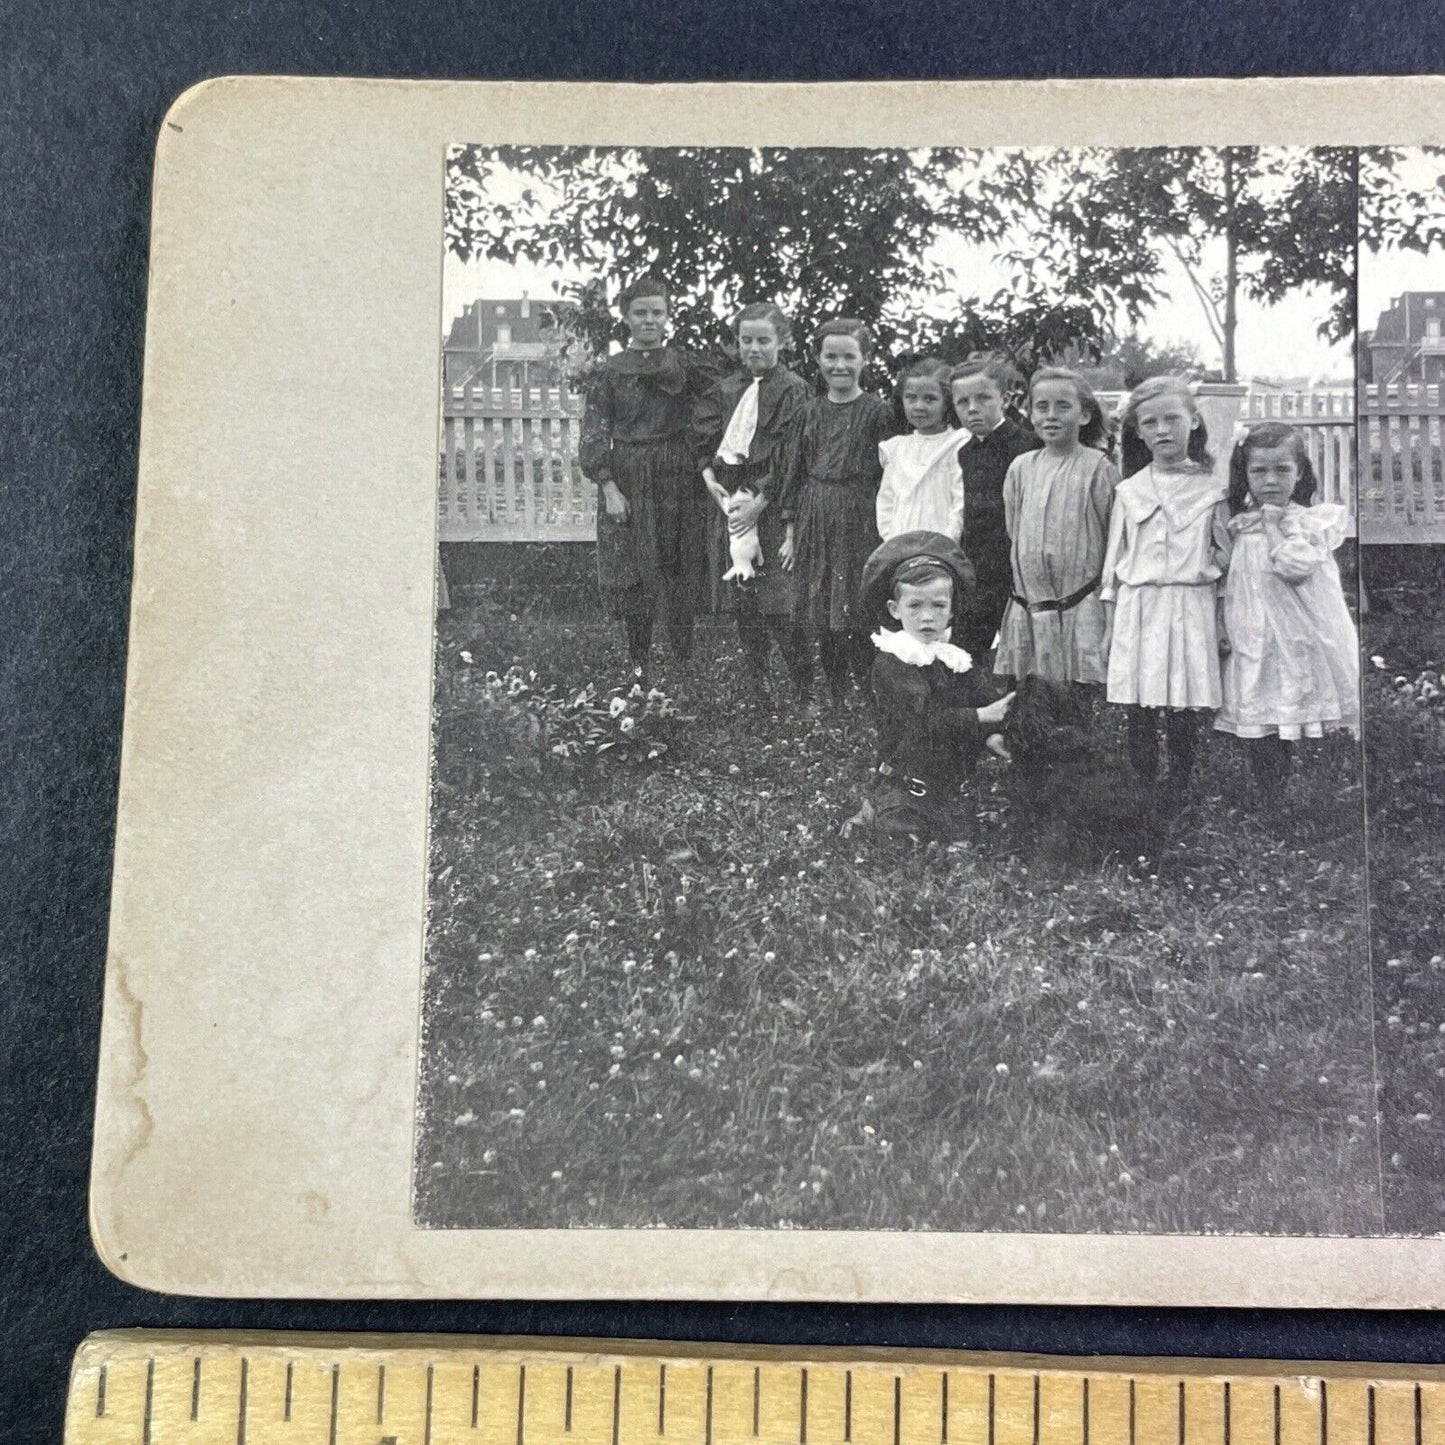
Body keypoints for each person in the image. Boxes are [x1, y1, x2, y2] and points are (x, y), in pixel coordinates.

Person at [577, 277, 716, 687]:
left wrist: (700, 452)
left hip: (677, 474)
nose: (650, 320)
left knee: (678, 566)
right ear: (626, 317)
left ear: (668, 315)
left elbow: (716, 402)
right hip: (630, 476)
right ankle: (639, 667)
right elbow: (594, 430)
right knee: (635, 572)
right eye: (641, 312)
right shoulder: (611, 371)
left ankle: (683, 666)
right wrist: (608, 486)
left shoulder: (685, 364)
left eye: (657, 312)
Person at [1213, 421, 1361, 801]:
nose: (1270, 481)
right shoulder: (1240, 524)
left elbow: (1293, 568)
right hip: (1252, 631)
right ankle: (1269, 792)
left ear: (1299, 473)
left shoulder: (1307, 522)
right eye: (1258, 471)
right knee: (1259, 706)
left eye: (1282, 470)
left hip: (1296, 632)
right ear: (1245, 476)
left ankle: (1321, 789)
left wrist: (1275, 525)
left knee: (1292, 698)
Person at [1102, 376, 1231, 801]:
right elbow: (1114, 563)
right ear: (1138, 432)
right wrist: (1108, 623)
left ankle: (1178, 784)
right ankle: (1143, 782)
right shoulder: (1129, 490)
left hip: (1190, 603)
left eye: (1172, 419)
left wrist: (1223, 618)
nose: (1162, 430)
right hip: (1139, 605)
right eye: (1151, 422)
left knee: (1182, 698)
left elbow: (1224, 560)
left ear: (1193, 422)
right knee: (1141, 701)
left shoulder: (1212, 489)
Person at [842, 532, 1013, 841]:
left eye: (938, 606)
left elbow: (979, 695)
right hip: (907, 777)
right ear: (895, 610)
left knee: (969, 834)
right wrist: (981, 717)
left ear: (951, 611)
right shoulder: (893, 661)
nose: (927, 617)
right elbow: (923, 721)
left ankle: (941, 817)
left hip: (948, 780)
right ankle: (875, 813)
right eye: (915, 606)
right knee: (907, 835)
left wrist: (992, 734)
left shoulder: (952, 657)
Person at [696, 302, 813, 703]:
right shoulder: (728, 389)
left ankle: (802, 689)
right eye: (746, 340)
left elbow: (791, 453)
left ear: (783, 342)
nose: (754, 349)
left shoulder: (793, 390)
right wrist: (710, 479)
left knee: (779, 601)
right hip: (732, 502)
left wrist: (762, 501)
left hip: (772, 505)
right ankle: (757, 683)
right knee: (745, 596)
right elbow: (708, 441)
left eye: (764, 340)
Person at [779, 318, 898, 707]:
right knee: (822, 602)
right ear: (818, 359)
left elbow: (890, 473)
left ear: (865, 359)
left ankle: (866, 685)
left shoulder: (878, 411)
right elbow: (794, 471)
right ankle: (835, 690)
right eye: (831, 356)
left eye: (849, 356)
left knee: (858, 603)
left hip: (860, 514)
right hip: (816, 511)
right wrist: (791, 531)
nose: (839, 365)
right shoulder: (808, 412)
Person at [993, 368, 1118, 695]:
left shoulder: (1098, 468)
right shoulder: (1021, 467)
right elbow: (1014, 529)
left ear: (1085, 414)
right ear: (1030, 414)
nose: (1051, 415)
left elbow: (1112, 537)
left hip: (1079, 604)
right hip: (1029, 605)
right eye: (1041, 407)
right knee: (1028, 700)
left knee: (1075, 704)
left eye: (1063, 406)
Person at [951, 354, 1040, 661]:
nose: (972, 408)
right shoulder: (965, 453)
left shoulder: (1028, 446)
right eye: (962, 402)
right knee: (967, 650)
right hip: (978, 568)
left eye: (983, 398)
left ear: (1003, 398)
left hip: (1017, 567)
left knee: (1021, 650)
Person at [875, 358, 966, 541]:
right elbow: (886, 502)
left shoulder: (958, 443)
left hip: (942, 543)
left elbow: (960, 503)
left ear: (947, 402)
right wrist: (892, 541)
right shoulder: (896, 448)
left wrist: (945, 544)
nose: (919, 406)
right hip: (901, 543)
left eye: (930, 399)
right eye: (911, 398)